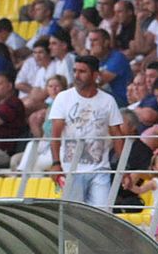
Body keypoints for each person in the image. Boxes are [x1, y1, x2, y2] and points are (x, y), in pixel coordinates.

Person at [47, 54, 125, 206]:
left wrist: (123, 169)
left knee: (102, 214)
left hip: (100, 168)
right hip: (71, 168)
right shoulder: (63, 98)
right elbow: (55, 134)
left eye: (82, 72)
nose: (76, 75)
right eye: (75, 71)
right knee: (74, 215)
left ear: (95, 75)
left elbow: (117, 135)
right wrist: (56, 163)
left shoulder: (108, 100)